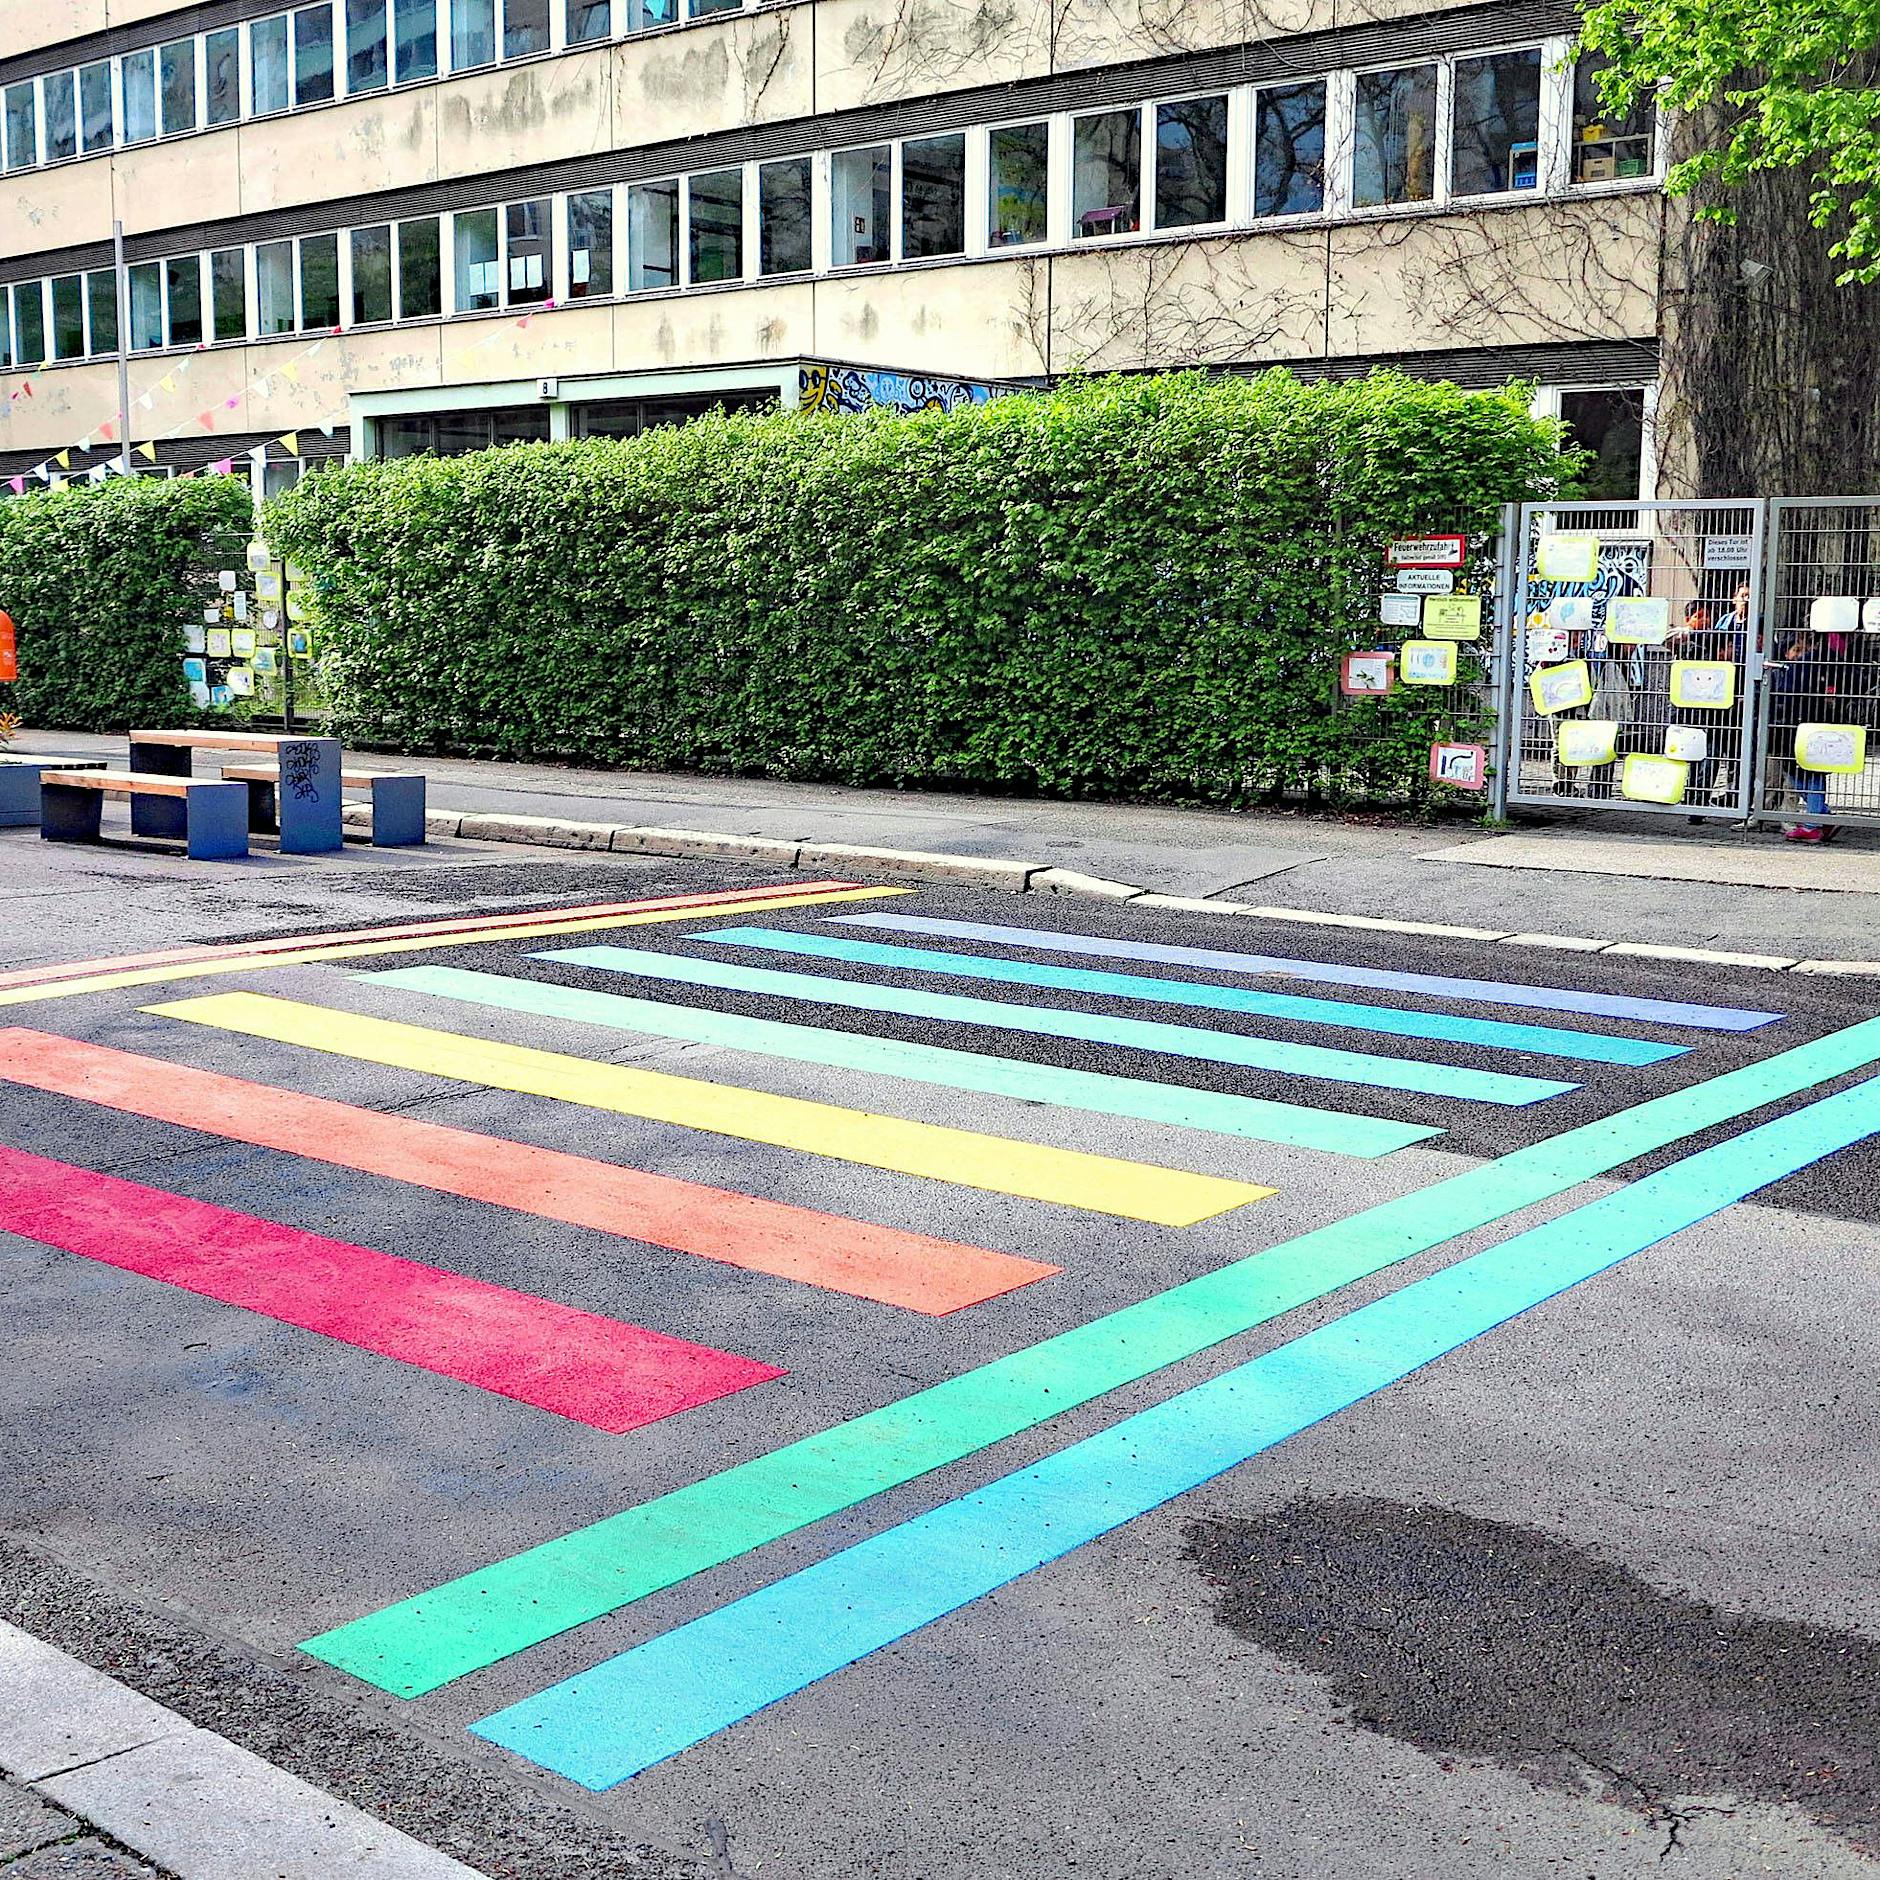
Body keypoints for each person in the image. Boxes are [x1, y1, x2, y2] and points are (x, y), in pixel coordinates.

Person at [1667, 587, 1746, 816]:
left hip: (1724, 718)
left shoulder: (1724, 655)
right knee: (1704, 758)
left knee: (1718, 759)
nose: (1705, 620)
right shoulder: (1695, 651)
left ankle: (1706, 801)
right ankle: (1696, 803)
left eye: (1707, 616)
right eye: (1699, 616)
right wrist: (1689, 632)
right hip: (1703, 718)